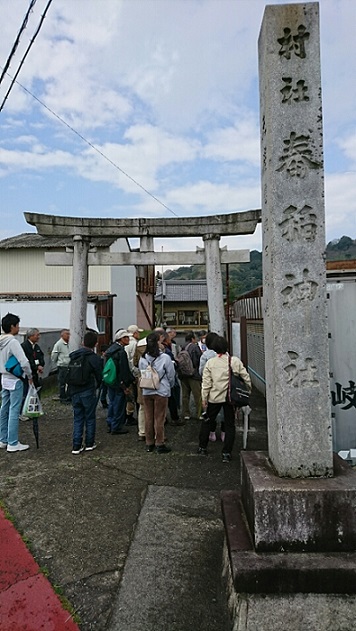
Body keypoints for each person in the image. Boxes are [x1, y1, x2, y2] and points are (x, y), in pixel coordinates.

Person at [198, 335, 251, 463]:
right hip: (230, 398)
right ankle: (226, 453)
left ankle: (202, 447)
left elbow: (206, 384)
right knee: (229, 425)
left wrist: (204, 398)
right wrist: (247, 391)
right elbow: (246, 377)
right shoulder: (235, 361)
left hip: (214, 397)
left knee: (207, 421)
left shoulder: (211, 363)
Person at [0, 313, 33, 452]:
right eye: (18, 325)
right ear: (12, 326)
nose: (18, 328)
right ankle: (13, 443)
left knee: (4, 408)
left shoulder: (1, 341)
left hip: (4, 377)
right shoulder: (13, 342)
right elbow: (24, 361)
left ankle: (3, 439)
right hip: (15, 379)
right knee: (14, 410)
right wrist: (29, 375)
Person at [139, 331, 175, 454]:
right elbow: (171, 375)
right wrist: (170, 385)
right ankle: (160, 442)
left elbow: (141, 371)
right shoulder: (165, 357)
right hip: (161, 390)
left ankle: (149, 443)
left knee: (148, 417)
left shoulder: (143, 358)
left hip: (147, 389)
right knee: (159, 418)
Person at [67, 330, 103, 454]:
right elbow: (99, 375)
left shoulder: (74, 356)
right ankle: (89, 443)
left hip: (74, 390)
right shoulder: (94, 358)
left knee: (78, 418)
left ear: (82, 342)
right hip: (87, 390)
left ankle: (76, 445)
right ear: (95, 344)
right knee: (90, 417)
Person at [105, 330, 135, 435]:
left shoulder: (110, 350)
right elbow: (123, 370)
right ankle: (116, 426)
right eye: (126, 337)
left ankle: (110, 423)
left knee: (112, 403)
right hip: (119, 382)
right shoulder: (121, 352)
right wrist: (126, 384)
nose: (128, 339)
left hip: (110, 380)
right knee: (119, 405)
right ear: (121, 339)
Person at [199, 331, 219, 442]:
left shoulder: (206, 355)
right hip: (223, 387)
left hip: (210, 387)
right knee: (224, 413)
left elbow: (201, 371)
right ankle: (224, 433)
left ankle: (212, 433)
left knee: (209, 412)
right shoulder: (226, 355)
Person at [20, 328, 45, 420]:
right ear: (30, 336)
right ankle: (22, 412)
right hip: (26, 374)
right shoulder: (24, 346)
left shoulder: (36, 347)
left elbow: (41, 356)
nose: (39, 337)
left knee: (36, 392)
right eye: (37, 335)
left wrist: (41, 365)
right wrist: (35, 366)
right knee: (25, 392)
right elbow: (26, 360)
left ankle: (34, 409)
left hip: (35, 374)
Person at [162, 331, 183, 426]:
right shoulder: (166, 351)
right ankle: (174, 418)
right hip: (167, 379)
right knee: (171, 399)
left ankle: (164, 418)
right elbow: (170, 366)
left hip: (157, 381)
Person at [179, 331, 202, 421]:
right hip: (193, 374)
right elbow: (198, 359)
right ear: (193, 339)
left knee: (185, 395)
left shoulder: (182, 347)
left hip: (183, 374)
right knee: (197, 395)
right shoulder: (195, 347)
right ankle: (199, 413)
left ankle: (186, 413)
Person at [125, 325, 143, 425]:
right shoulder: (135, 344)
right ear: (135, 333)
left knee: (129, 396)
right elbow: (133, 361)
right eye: (138, 332)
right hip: (134, 373)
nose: (139, 334)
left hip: (127, 373)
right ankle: (130, 416)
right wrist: (136, 374)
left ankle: (128, 415)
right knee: (135, 395)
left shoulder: (126, 343)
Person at [51, 329, 71, 403]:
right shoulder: (58, 344)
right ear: (62, 335)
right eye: (67, 334)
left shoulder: (69, 343)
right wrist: (58, 362)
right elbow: (54, 355)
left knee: (69, 382)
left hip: (69, 365)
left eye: (69, 334)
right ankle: (62, 398)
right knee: (62, 382)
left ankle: (68, 396)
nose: (68, 336)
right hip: (62, 365)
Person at [99, 344, 109, 408]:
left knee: (104, 389)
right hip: (104, 376)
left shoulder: (102, 358)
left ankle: (103, 400)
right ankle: (103, 400)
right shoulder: (103, 359)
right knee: (104, 389)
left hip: (104, 376)